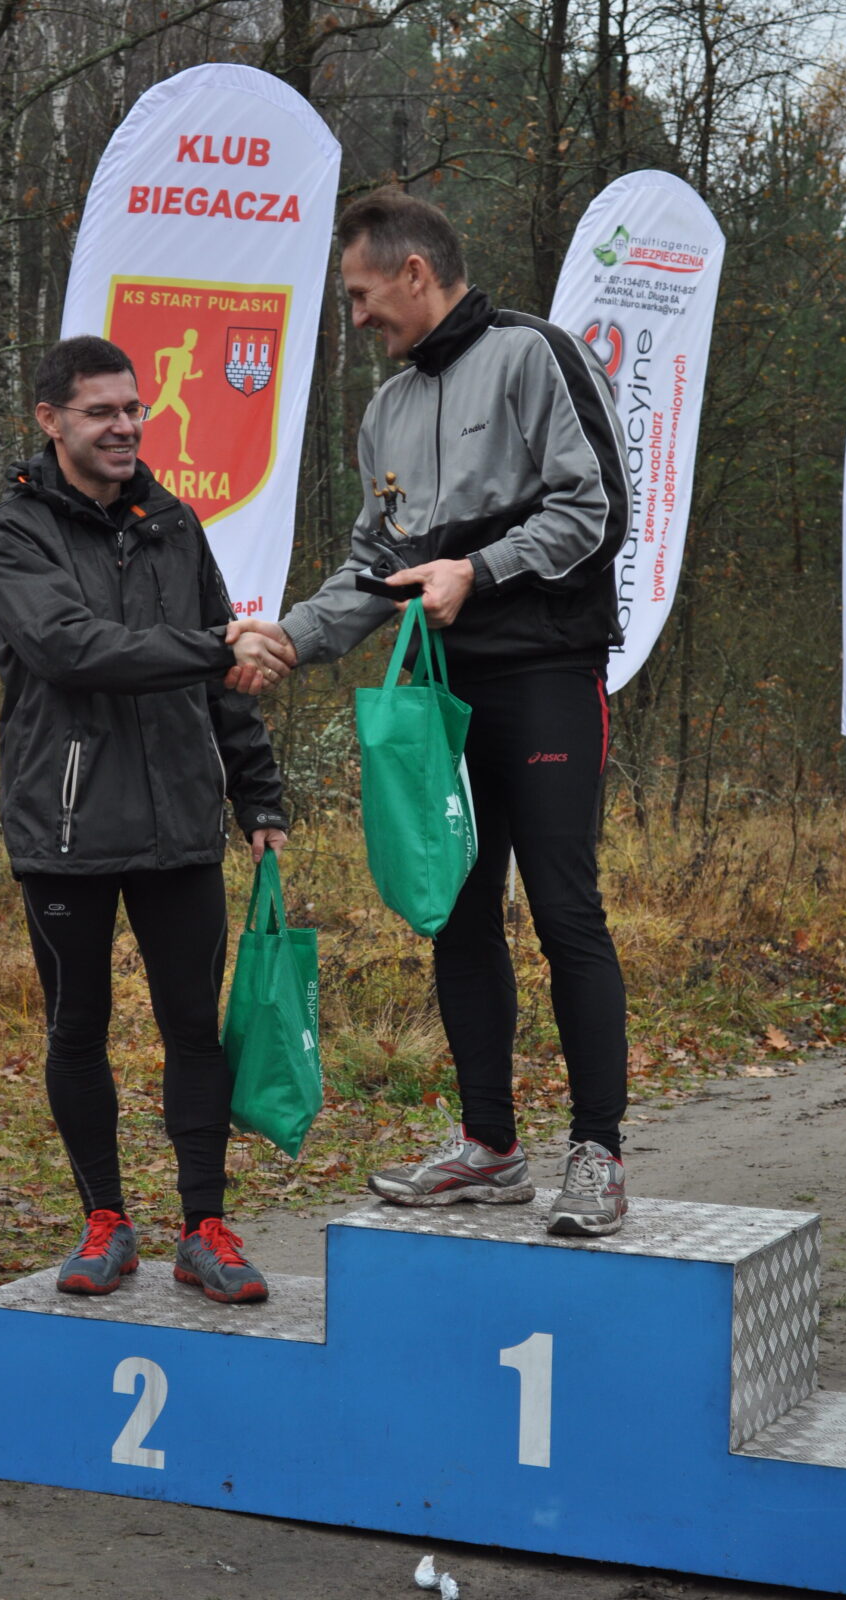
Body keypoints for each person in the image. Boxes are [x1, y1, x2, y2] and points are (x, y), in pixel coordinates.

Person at [229, 188, 633, 1237]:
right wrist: (290, 636)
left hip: (545, 677)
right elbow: (376, 566)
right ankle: (489, 1147)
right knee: (454, 907)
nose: (356, 315)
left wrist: (478, 571)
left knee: (564, 908)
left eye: (363, 294)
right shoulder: (385, 411)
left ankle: (598, 1151)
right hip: (438, 698)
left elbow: (597, 510)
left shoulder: (535, 354)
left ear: (414, 272)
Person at [0, 335, 295, 1301]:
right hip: (65, 827)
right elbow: (72, 649)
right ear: (50, 420)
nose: (124, 427)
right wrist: (216, 644)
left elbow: (227, 685)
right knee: (77, 1031)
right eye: (101, 412)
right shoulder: (13, 534)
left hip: (179, 823)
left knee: (194, 1029)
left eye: (132, 408)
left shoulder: (175, 523)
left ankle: (204, 1228)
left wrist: (257, 792)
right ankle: (105, 1222)